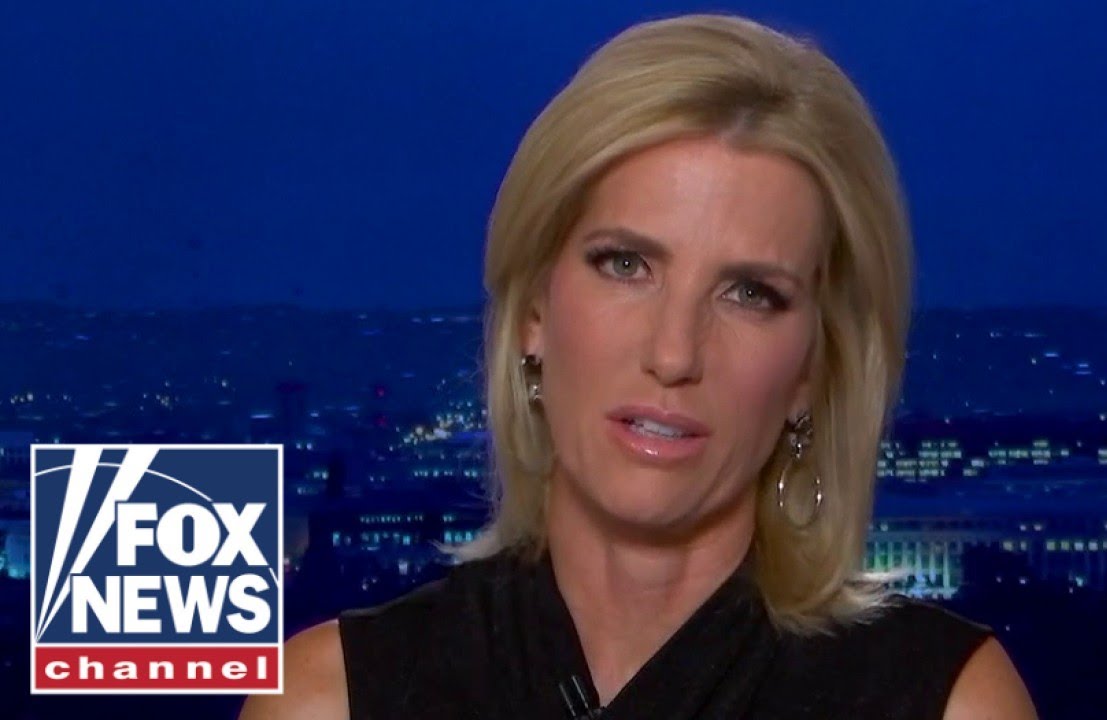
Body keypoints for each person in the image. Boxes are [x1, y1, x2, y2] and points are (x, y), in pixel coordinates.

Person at [241, 12, 1038, 720]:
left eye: (750, 293)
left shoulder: (945, 702)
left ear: (812, 370)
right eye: (625, 265)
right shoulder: (332, 700)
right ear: (534, 309)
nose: (674, 353)